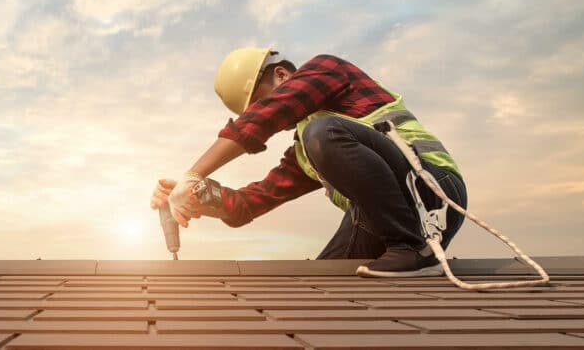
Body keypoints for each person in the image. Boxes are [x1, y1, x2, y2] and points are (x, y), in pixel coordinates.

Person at [149, 48, 468, 277]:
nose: (270, 110)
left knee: (322, 132)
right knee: (320, 282)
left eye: (264, 100)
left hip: (433, 189)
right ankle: (407, 251)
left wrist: (193, 172)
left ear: (282, 74)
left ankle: (413, 249)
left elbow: (266, 118)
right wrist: (198, 194)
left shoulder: (328, 70)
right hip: (379, 220)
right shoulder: (309, 150)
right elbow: (251, 203)